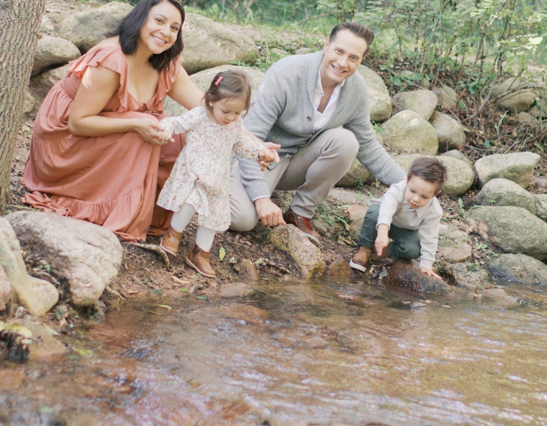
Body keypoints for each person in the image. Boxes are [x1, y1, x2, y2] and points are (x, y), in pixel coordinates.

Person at [23, 0, 204, 242]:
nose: (166, 32)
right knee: (146, 129)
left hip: (101, 130)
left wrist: (256, 145)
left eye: (174, 28)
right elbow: (78, 123)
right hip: (63, 139)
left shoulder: (165, 63)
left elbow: (207, 108)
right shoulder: (111, 59)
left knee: (174, 135)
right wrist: (135, 123)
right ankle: (109, 208)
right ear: (141, 19)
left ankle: (149, 208)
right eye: (159, 21)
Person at [230, 21, 405, 237]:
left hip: (296, 163)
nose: (342, 63)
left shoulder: (356, 90)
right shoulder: (287, 73)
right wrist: (261, 199)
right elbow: (249, 139)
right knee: (241, 220)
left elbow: (368, 145)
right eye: (338, 51)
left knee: (346, 141)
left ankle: (300, 213)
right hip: (260, 158)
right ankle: (234, 186)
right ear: (326, 45)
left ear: (362, 60)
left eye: (353, 58)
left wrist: (409, 184)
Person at [157, 70, 279, 277]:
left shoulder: (235, 124)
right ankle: (173, 234)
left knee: (212, 217)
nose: (231, 117)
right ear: (211, 101)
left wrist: (259, 150)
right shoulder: (200, 115)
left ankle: (201, 254)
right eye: (226, 111)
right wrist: (165, 128)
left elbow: (242, 144)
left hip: (218, 180)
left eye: (237, 113)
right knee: (189, 203)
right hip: (193, 174)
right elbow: (178, 122)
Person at [350, 156, 446, 276]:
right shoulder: (398, 189)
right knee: (374, 212)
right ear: (406, 180)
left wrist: (426, 265)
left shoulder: (434, 211)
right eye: (412, 191)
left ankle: (384, 250)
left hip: (404, 230)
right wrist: (382, 233)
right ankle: (364, 248)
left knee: (413, 249)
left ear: (435, 194)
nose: (416, 199)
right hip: (382, 220)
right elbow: (386, 211)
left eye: (424, 197)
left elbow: (430, 237)